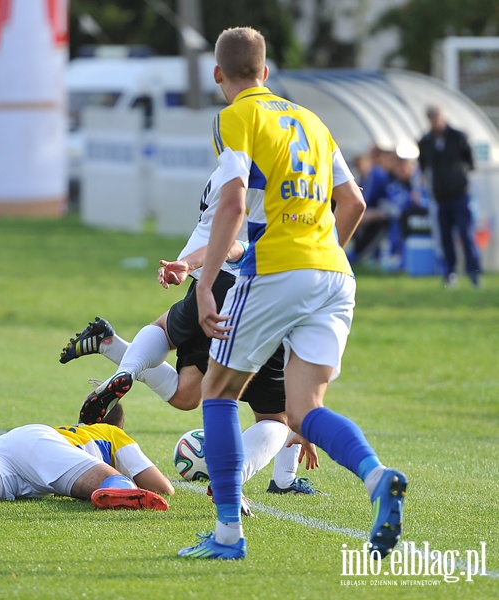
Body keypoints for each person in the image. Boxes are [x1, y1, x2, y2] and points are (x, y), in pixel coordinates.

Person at [181, 26, 406, 561]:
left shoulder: (235, 117)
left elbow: (232, 207)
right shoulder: (311, 119)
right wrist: (320, 259)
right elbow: (351, 202)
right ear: (266, 71)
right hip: (335, 273)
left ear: (219, 76)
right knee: (302, 412)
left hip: (277, 268)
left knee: (217, 393)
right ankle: (376, 477)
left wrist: (207, 284)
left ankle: (228, 534)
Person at [63, 167, 323, 504]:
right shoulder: (318, 253)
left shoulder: (231, 165)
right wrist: (308, 416)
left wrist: (188, 263)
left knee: (185, 390)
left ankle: (120, 358)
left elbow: (234, 246)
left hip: (214, 279)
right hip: (265, 310)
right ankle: (238, 479)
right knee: (275, 418)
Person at [0, 403, 173, 511]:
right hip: (41, 448)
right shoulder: (114, 434)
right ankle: (118, 492)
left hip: (8, 445)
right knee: (115, 479)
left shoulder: (80, 433)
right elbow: (163, 487)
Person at [417, 104, 481, 288]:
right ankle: (450, 273)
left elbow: (470, 161)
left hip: (460, 194)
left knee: (466, 234)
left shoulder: (458, 137)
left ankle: (473, 273)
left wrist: (459, 177)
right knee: (445, 237)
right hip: (440, 196)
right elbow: (423, 165)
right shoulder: (426, 141)